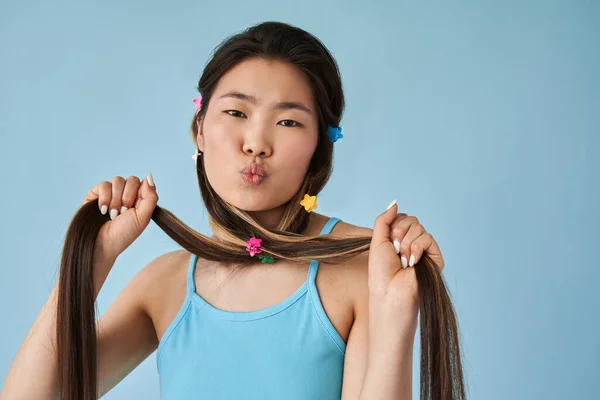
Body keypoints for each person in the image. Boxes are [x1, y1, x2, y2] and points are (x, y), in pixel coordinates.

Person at [2, 21, 455, 399]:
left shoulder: (363, 266)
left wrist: (395, 315)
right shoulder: (164, 285)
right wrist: (89, 262)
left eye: (289, 121)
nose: (257, 142)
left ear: (319, 150)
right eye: (237, 113)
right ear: (199, 130)